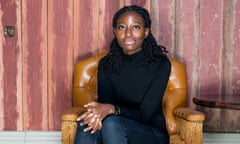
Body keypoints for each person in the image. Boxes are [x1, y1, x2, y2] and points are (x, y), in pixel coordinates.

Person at [74, 5, 170, 144]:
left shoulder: (160, 64)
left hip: (152, 132)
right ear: (115, 31)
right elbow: (105, 106)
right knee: (85, 125)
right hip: (114, 125)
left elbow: (145, 114)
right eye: (122, 27)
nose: (128, 34)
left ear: (146, 32)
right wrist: (96, 115)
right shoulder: (106, 64)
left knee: (112, 124)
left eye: (136, 27)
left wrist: (112, 109)